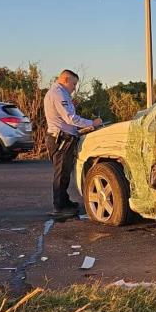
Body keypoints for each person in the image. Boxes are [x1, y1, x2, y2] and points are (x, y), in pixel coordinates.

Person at [43, 69, 102, 217]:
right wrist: (92, 123)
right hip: (61, 139)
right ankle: (59, 207)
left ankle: (64, 201)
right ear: (65, 80)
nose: (74, 88)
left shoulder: (58, 93)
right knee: (61, 174)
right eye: (74, 84)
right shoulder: (58, 94)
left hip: (63, 137)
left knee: (64, 173)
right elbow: (70, 118)